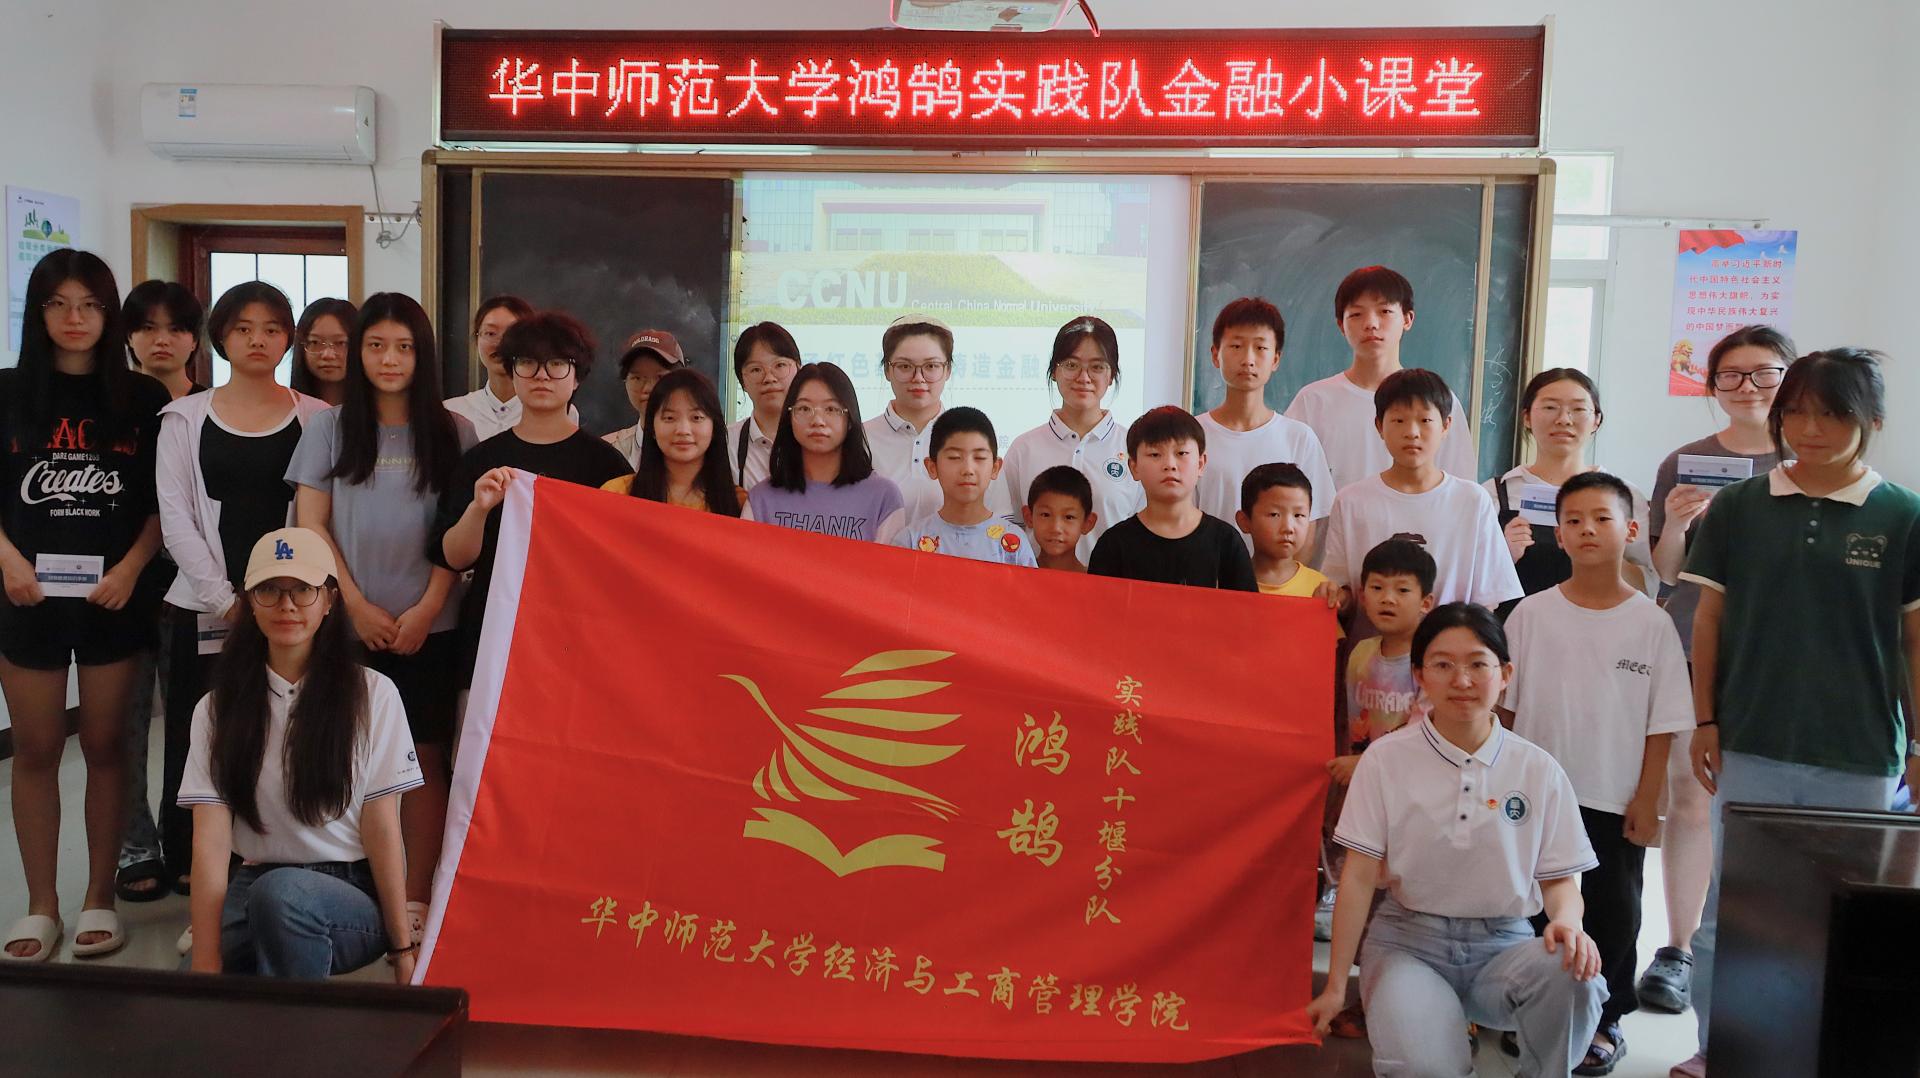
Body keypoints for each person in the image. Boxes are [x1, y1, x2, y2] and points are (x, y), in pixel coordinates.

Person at [1671, 348, 1919, 1078]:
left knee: (1843, 917)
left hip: (1859, 754)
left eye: (1832, 414)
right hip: (1751, 742)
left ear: (1871, 421)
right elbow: (1708, 619)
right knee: (1731, 910)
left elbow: (1913, 641)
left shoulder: (1903, 515)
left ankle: (1818, 1055)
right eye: (1798, 413)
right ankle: (1717, 1050)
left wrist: (1917, 746)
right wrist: (1706, 721)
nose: (1810, 429)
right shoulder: (1741, 507)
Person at [1306, 602, 1606, 1078]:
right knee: (1425, 1067)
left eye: (1478, 664)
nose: (1461, 680)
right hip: (1409, 943)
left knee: (1577, 973)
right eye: (1443, 665)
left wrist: (1568, 922)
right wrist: (1336, 985)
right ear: (1420, 675)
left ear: (1505, 674)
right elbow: (1358, 878)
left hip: (1505, 944)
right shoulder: (1385, 760)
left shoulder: (1539, 769)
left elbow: (1559, 880)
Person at [288, 292, 475, 944]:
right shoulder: (328, 429)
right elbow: (311, 525)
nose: (389, 359)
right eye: (375, 346)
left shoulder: (455, 432)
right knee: (346, 754)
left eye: (403, 347)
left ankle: (418, 896)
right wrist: (355, 605)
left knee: (423, 758)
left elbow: (461, 533)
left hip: (433, 626)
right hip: (346, 624)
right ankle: (353, 891)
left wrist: (428, 607)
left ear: (423, 355)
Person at [0, 250, 171, 961]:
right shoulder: (7, 392)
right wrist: (7, 561)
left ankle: (100, 896)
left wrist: (132, 569)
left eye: (91, 305)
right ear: (38, 312)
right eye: (59, 304)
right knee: (37, 749)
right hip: (26, 598)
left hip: (114, 599)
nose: (75, 318)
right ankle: (41, 905)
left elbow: (163, 503)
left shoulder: (142, 399)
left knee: (105, 746)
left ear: (110, 315)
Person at [156, 280, 330, 953]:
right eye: (243, 327)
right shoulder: (183, 420)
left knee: (283, 747)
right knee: (204, 748)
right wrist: (228, 601)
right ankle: (204, 896)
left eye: (273, 328)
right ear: (221, 337)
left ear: (289, 340)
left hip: (293, 613)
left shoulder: (318, 417)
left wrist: (280, 602)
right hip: (206, 611)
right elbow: (176, 516)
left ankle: (276, 890)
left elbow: (321, 516)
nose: (258, 339)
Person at [1500, 472, 1693, 1076]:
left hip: (1614, 796)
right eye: (1574, 520)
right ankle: (1538, 1014)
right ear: (1557, 534)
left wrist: (1649, 798)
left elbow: (1663, 722)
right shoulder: (1530, 614)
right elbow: (1505, 712)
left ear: (1630, 529)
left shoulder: (1651, 623)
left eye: (1602, 519)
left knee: (1614, 910)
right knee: (1534, 912)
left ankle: (1605, 1019)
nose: (1587, 530)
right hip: (1535, 799)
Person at [1635, 324, 1795, 1016]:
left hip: (1777, 654)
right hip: (1690, 644)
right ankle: (1678, 949)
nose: (1748, 386)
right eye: (1731, 374)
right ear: (1712, 386)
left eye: (1765, 372)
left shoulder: (1809, 459)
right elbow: (1667, 572)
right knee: (1690, 797)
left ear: (1790, 379)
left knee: (1767, 805)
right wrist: (1675, 522)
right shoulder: (1685, 461)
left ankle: (1755, 945)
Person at [179, 527, 421, 981]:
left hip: (352, 890)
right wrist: (205, 963)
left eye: (303, 590)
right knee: (190, 992)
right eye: (269, 590)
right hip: (254, 882)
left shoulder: (374, 694)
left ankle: (302, 1024)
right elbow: (209, 842)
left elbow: (383, 829)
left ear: (329, 600)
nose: (286, 605)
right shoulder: (216, 707)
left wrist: (402, 951)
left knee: (283, 896)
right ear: (249, 602)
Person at [431, 311, 632, 687]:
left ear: (577, 376)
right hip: (494, 634)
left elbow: (622, 564)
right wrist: (479, 509)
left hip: (575, 641)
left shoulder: (605, 464)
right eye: (528, 363)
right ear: (512, 372)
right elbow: (454, 557)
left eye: (557, 363)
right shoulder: (481, 459)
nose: (542, 375)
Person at [116, 281, 210, 904]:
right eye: (147, 327)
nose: (161, 340)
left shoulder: (213, 408)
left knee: (193, 725)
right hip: (120, 585)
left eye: (175, 328)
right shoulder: (110, 405)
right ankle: (135, 847)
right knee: (122, 727)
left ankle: (188, 843)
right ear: (128, 336)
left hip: (195, 588)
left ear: (195, 339)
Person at [1321, 369, 1522, 624]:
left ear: (1446, 425)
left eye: (1425, 420)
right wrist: (1335, 596)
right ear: (1379, 426)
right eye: (1398, 420)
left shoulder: (1473, 501)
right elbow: (1342, 589)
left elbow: (1489, 598)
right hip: (1369, 648)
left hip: (1448, 647)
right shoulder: (1351, 501)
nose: (1412, 432)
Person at [1285, 266, 1478, 490]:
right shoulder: (1313, 401)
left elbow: (1461, 488)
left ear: (1407, 319)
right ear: (1341, 325)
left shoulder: (1436, 400)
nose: (1371, 324)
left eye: (1384, 311)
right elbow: (1285, 484)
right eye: (1356, 314)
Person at [1487, 369, 1656, 615]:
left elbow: (1647, 588)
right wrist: (1505, 556)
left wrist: (1611, 555)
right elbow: (1470, 589)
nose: (1564, 419)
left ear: (1596, 420)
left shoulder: (1624, 495)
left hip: (1600, 631)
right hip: (1514, 632)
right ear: (1527, 417)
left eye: (1578, 409)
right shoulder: (1493, 493)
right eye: (1550, 407)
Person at [1193, 298, 1335, 551]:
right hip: (1207, 574)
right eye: (1236, 346)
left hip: (1277, 577)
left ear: (1276, 359)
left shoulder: (1299, 438)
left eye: (1260, 347)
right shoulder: (1192, 436)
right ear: (1215, 355)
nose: (1248, 359)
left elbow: (1309, 530)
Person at [1000, 316, 1143, 562]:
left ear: (1112, 375)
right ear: (1054, 371)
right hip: (1037, 584)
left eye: (1097, 367)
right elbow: (1008, 530)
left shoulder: (1134, 448)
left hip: (1111, 584)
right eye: (1071, 364)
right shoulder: (1024, 449)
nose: (1083, 377)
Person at [1087, 407, 1255, 591]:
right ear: (1134, 467)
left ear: (1200, 464)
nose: (1169, 465)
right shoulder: (1113, 546)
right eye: (1155, 454)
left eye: (1181, 453)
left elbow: (1245, 608)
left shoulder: (1226, 542)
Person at [743, 362, 904, 544]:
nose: (818, 421)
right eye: (804, 409)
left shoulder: (883, 498)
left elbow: (888, 563)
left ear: (850, 419)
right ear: (789, 418)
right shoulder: (761, 499)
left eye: (831, 409)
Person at [891, 407, 1035, 567]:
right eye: (954, 457)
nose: (968, 469)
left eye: (979, 457)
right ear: (932, 467)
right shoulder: (910, 542)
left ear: (995, 468)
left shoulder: (1013, 543)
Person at [601, 367, 745, 516]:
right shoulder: (617, 494)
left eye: (696, 418)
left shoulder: (740, 504)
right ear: (652, 428)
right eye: (669, 418)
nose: (683, 430)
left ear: (714, 427)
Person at [443, 295, 577, 440]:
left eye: (512, 334)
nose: (500, 344)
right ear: (477, 340)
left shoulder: (558, 411)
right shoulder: (452, 411)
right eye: (490, 333)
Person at [862, 316, 956, 523]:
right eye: (905, 366)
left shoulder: (968, 437)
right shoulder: (860, 439)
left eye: (931, 366)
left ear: (948, 370)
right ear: (887, 370)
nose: (918, 378)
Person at [725, 322, 801, 491]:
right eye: (756, 370)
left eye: (780, 365)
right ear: (742, 381)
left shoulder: (818, 437)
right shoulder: (726, 443)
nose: (769, 378)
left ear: (798, 369)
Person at [1236, 463, 1330, 598]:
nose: (1288, 527)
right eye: (1274, 515)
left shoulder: (1320, 589)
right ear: (1244, 521)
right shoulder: (1227, 584)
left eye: (1298, 515)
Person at [602, 329, 685, 469]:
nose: (648, 388)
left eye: (660, 377)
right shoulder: (608, 452)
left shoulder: (700, 447)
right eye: (637, 378)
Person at [1023, 466, 1096, 574]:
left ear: (1087, 523)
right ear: (1029, 517)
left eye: (1069, 517)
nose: (1056, 528)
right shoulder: (1014, 576)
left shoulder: (1097, 581)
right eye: (1046, 515)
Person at [290, 298, 356, 406]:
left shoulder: (376, 410)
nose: (328, 355)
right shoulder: (289, 408)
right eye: (315, 342)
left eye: (341, 343)